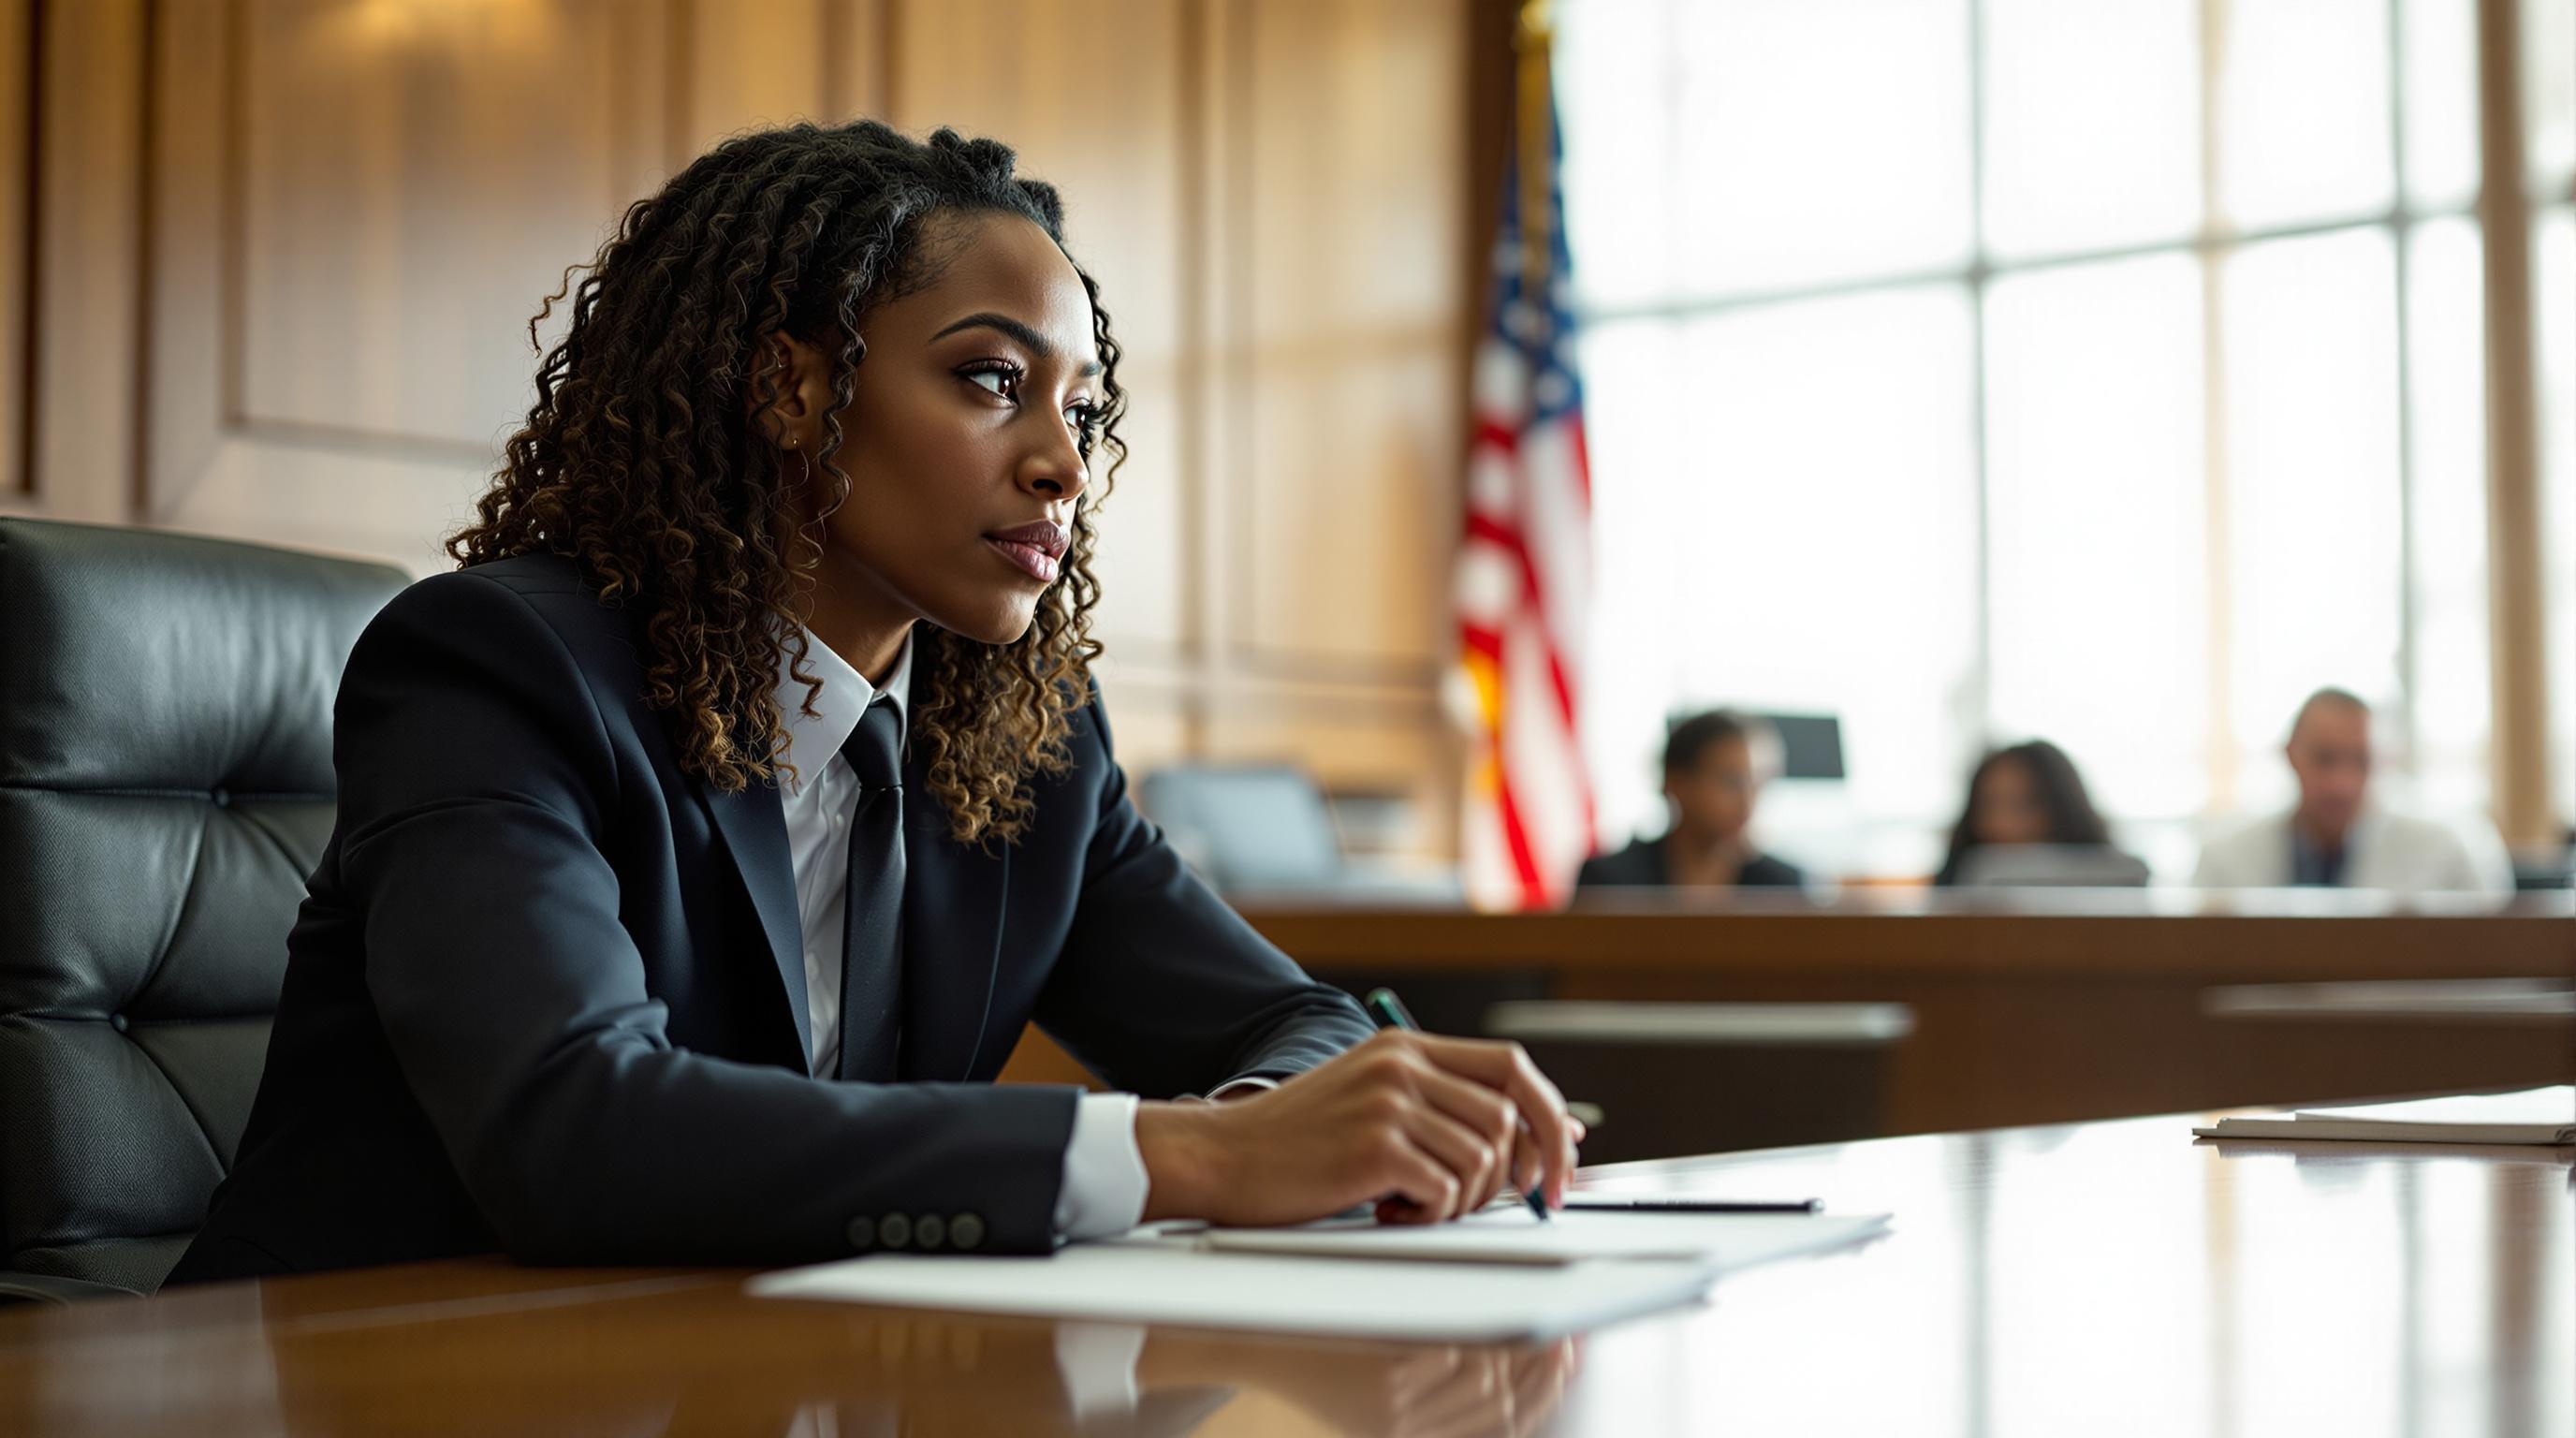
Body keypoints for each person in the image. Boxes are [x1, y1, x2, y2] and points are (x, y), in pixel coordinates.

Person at [169, 122, 1577, 1284]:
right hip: (360, 1379)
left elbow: (1293, 1024)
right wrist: (1187, 1160)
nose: (1062, 470)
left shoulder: (1020, 744)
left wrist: (1281, 1128)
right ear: (791, 388)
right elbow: (570, 1127)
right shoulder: (498, 668)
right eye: (990, 382)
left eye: (1077, 413)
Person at [2194, 687, 2512, 895]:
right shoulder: (2223, 859)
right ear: (2290, 755)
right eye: (2325, 759)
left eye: (2360, 762)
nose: (2341, 784)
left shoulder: (2448, 851)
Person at [1576, 710, 1806, 893]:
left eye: (1757, 784)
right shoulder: (1609, 882)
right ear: (1677, 782)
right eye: (1730, 781)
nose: (1747, 801)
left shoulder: (1782, 886)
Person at [1932, 739, 2136, 886]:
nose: (2000, 823)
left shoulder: (2120, 878)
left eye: (2022, 806)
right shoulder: (1951, 891)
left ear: (2062, 808)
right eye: (1988, 805)